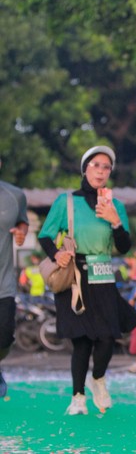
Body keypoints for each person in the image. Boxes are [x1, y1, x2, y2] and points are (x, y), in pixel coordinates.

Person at [38, 146, 136, 415]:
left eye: (106, 167)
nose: (101, 170)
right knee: (81, 341)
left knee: (107, 337)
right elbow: (45, 235)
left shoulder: (116, 206)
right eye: (96, 164)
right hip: (75, 277)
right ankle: (78, 398)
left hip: (104, 275)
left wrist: (115, 221)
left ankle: (98, 378)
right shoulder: (66, 201)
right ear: (85, 169)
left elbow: (124, 247)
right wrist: (57, 254)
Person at [0, 157, 29, 397]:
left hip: (4, 283)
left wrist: (21, 233)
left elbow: (22, 223)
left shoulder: (15, 196)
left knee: (4, 336)